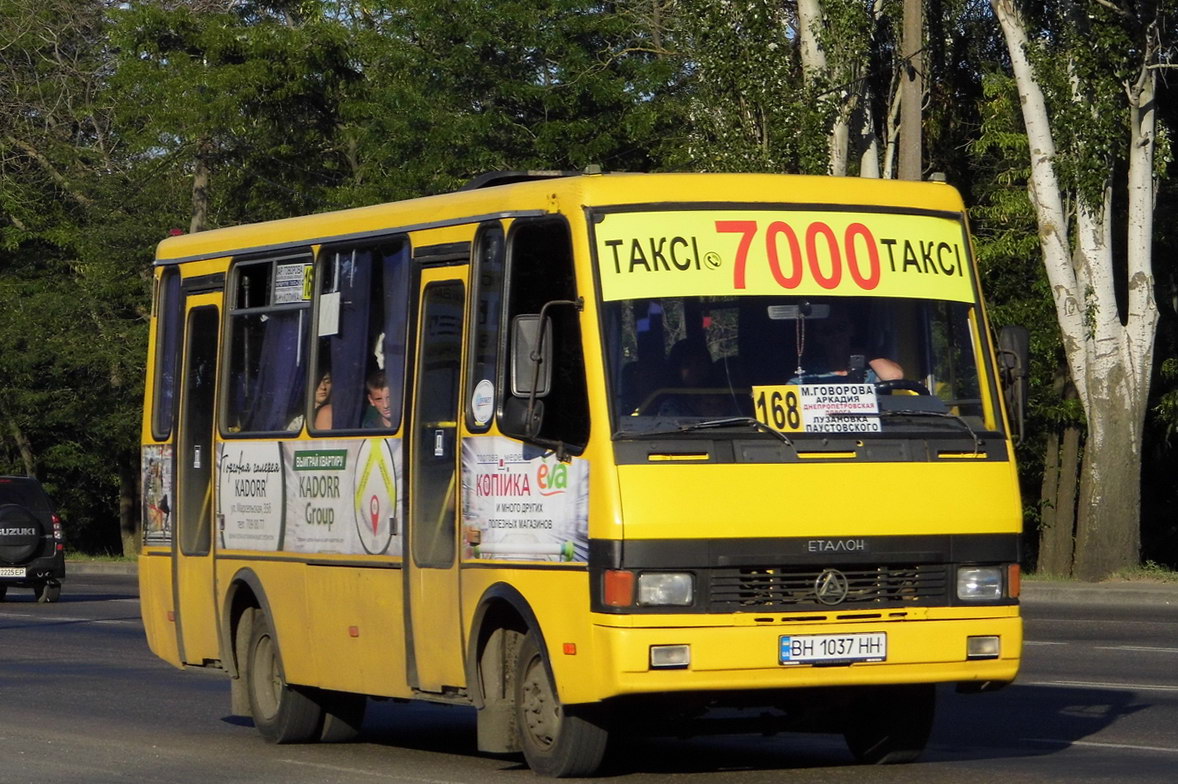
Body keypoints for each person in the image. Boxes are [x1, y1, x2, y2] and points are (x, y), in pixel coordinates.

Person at [790, 311, 902, 384]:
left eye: (841, 328)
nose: (836, 335)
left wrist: (865, 355)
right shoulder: (809, 373)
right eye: (827, 331)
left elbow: (894, 376)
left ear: (851, 330)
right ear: (819, 337)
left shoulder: (869, 370)